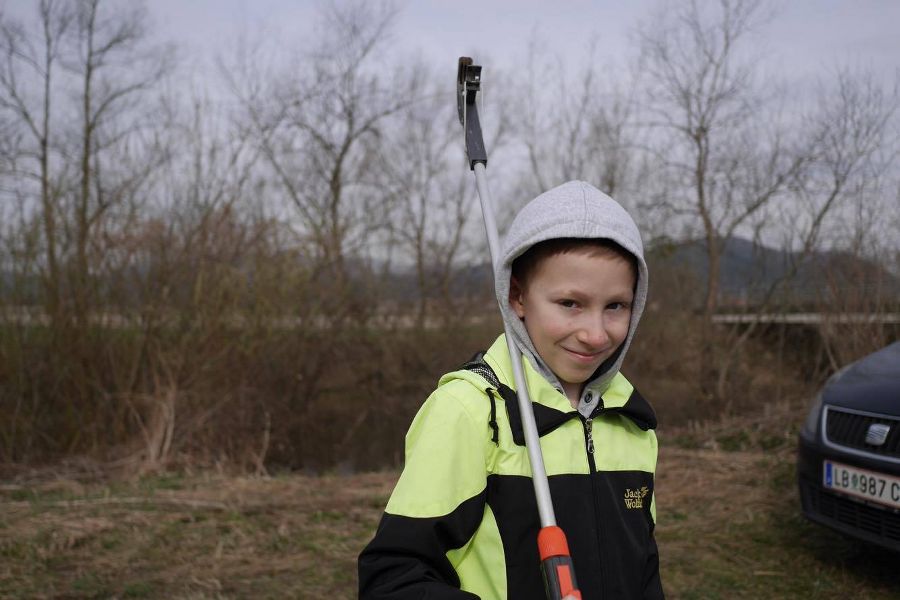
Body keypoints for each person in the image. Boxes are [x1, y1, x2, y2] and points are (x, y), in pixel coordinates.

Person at [358, 181, 663, 599]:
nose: (595, 334)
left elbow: (644, 571)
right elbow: (392, 578)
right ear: (517, 297)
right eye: (570, 304)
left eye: (616, 306)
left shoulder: (632, 421)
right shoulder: (470, 410)